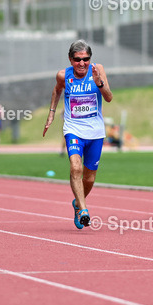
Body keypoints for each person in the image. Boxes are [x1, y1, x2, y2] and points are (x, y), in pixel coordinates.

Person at [43, 39, 113, 230]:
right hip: (73, 129)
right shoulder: (63, 75)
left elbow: (108, 97)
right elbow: (57, 91)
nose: (82, 63)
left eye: (85, 59)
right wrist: (51, 113)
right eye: (77, 59)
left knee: (89, 178)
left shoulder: (98, 70)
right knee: (75, 168)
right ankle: (83, 210)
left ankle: (76, 203)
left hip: (95, 131)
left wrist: (99, 83)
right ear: (70, 59)